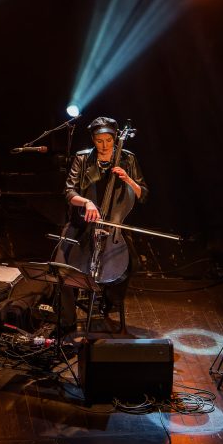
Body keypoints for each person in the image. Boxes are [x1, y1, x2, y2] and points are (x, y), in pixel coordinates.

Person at [54, 116, 148, 326]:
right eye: (99, 141)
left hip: (114, 228)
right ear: (92, 140)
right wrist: (86, 202)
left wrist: (128, 179)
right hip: (82, 224)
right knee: (60, 266)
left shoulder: (129, 159)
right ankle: (66, 320)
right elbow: (69, 192)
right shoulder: (82, 159)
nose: (104, 146)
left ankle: (110, 302)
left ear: (115, 139)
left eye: (109, 140)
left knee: (131, 264)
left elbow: (143, 195)